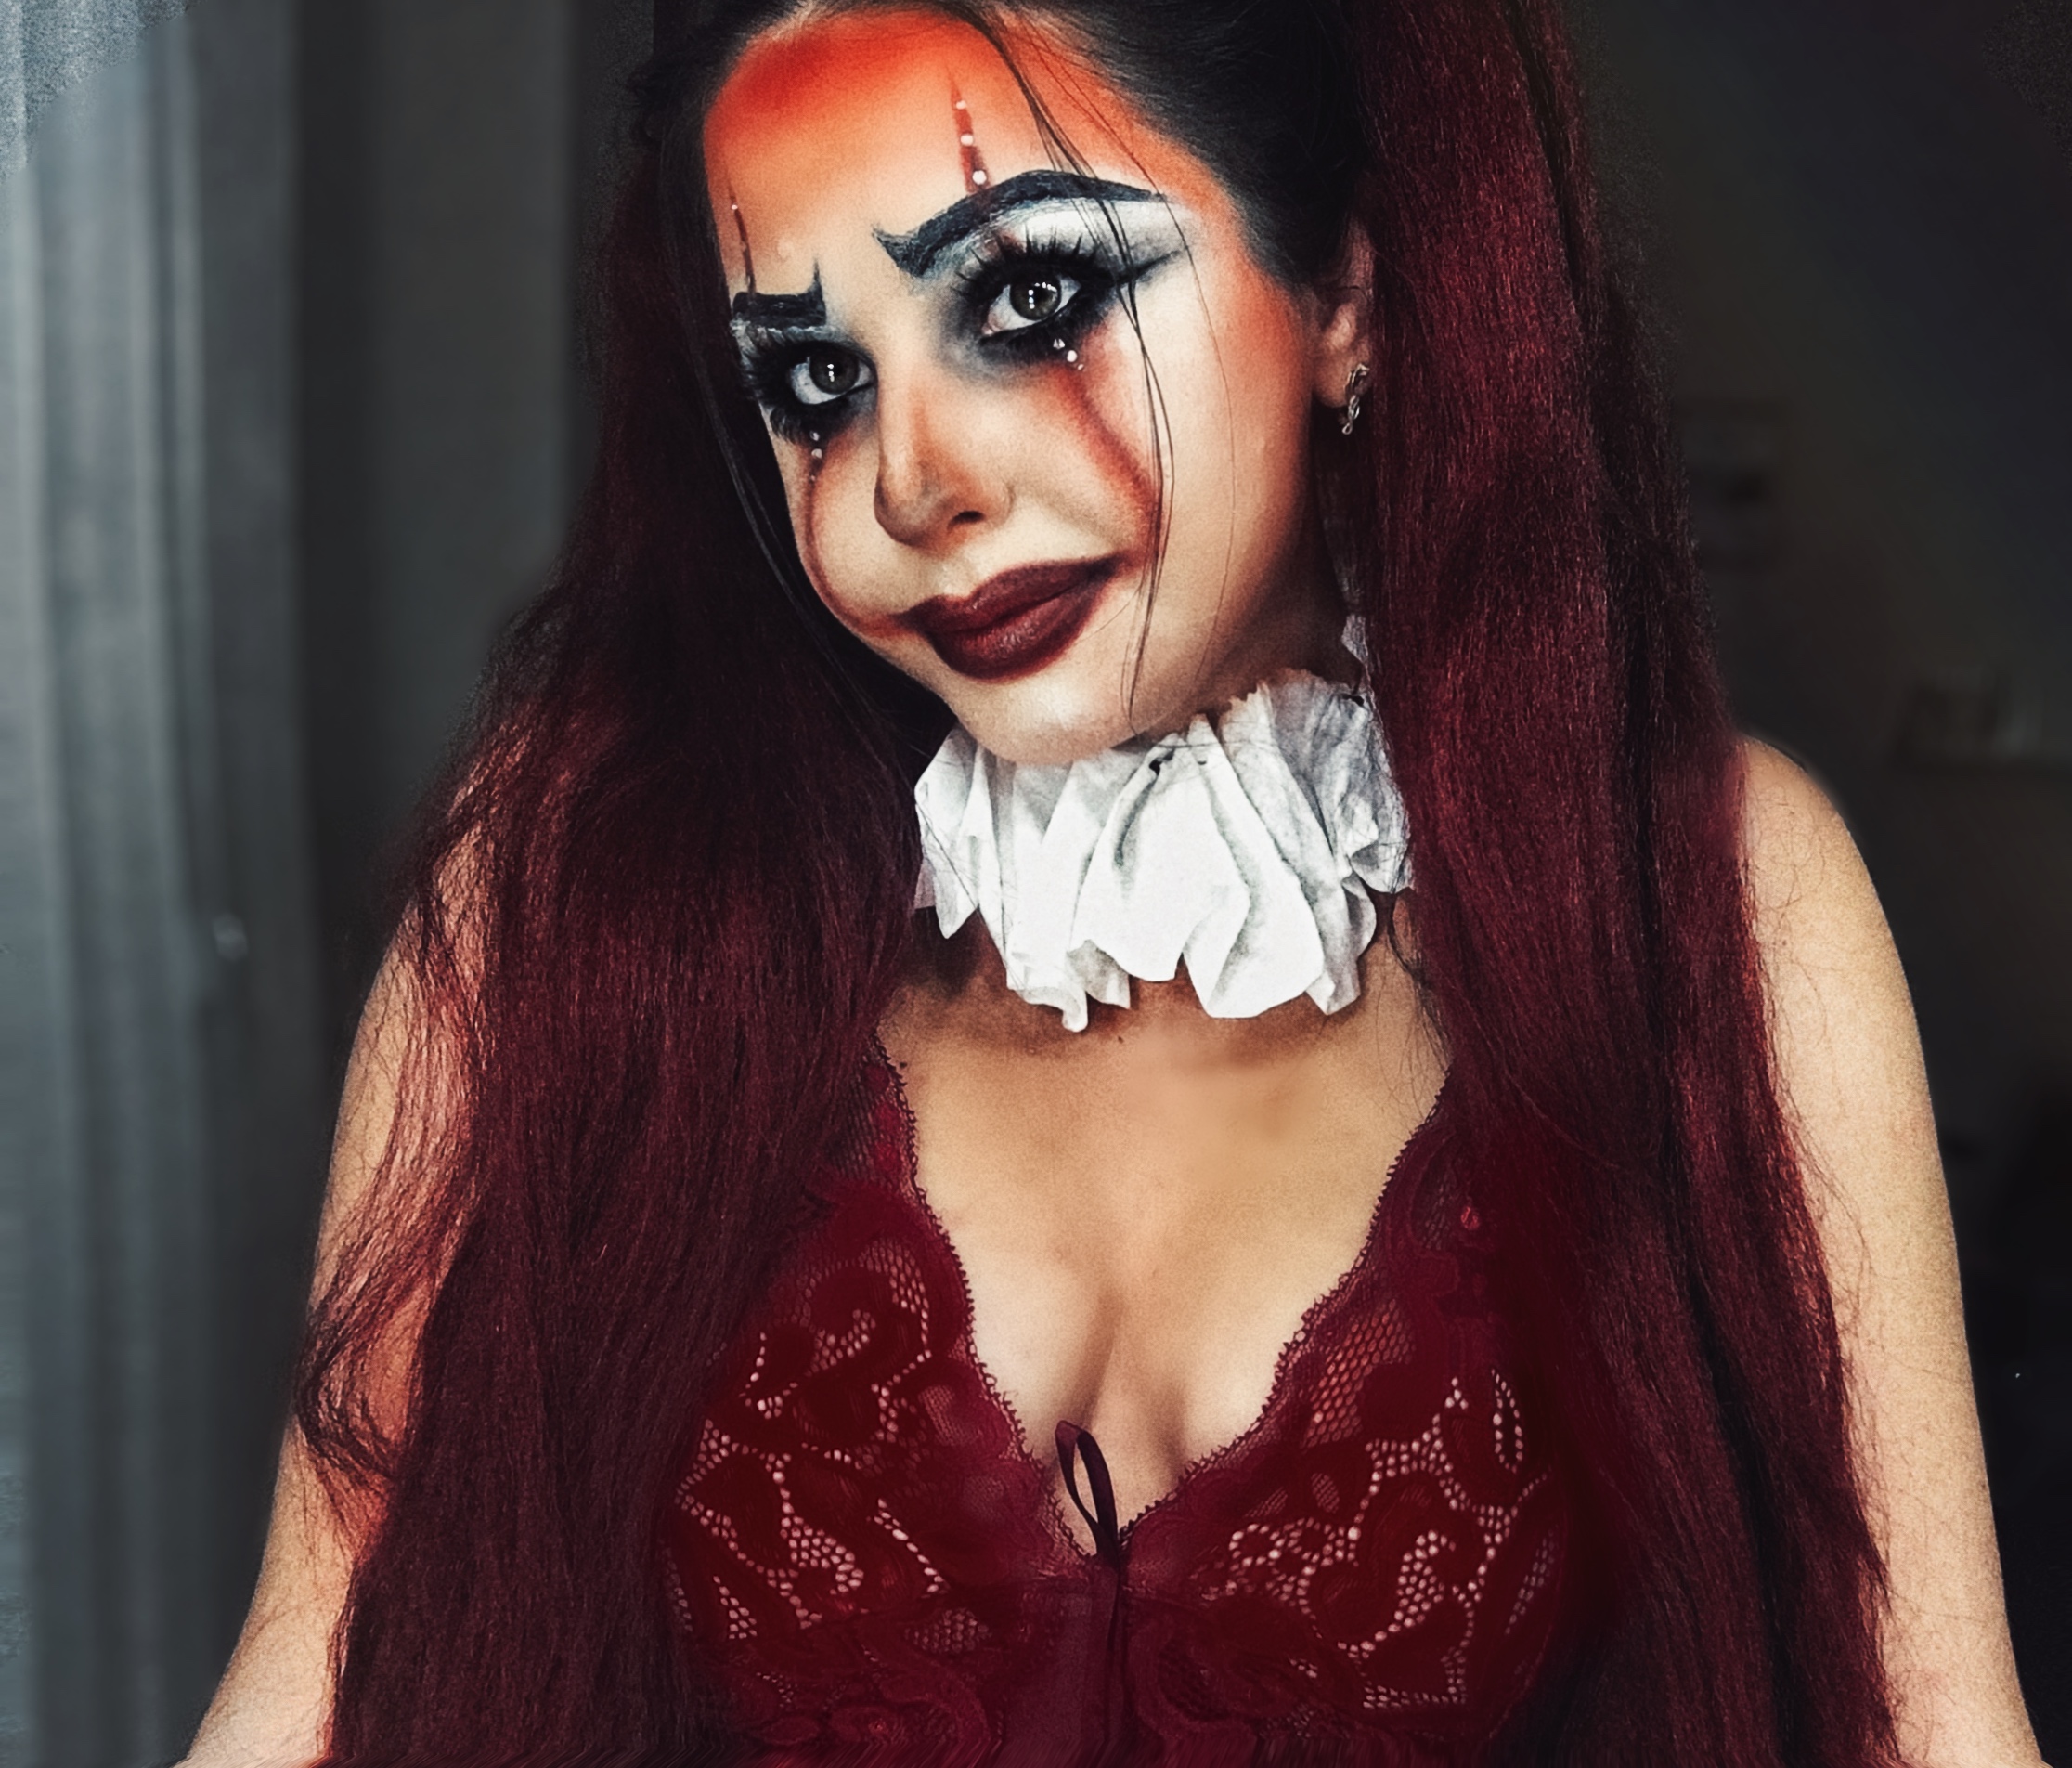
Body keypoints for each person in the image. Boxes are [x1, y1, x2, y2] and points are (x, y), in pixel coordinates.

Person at [186, 0, 2044, 1762]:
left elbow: (1932, 1731)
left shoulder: (1708, 893)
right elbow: (309, 1700)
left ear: (1348, 292)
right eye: (818, 382)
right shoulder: (577, 886)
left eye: (1034, 297)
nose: (912, 483)